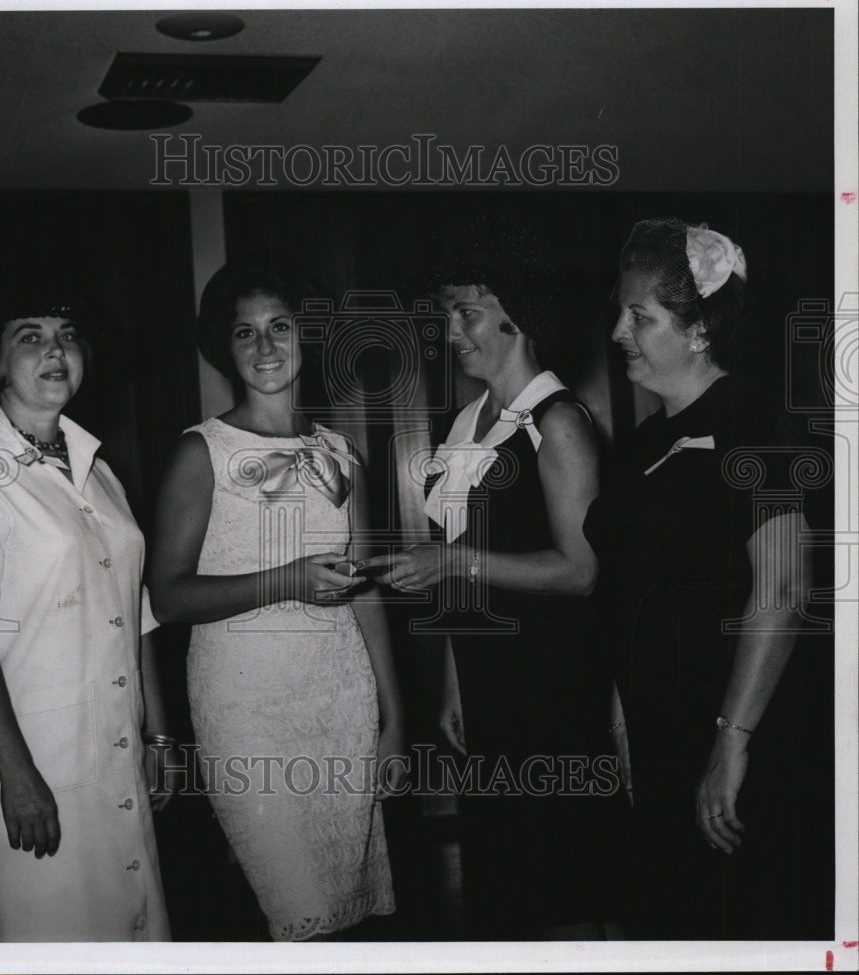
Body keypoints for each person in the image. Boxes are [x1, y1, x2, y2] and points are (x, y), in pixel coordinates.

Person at [361, 231, 622, 939]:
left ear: (518, 314)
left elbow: (581, 570)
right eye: (446, 314)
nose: (450, 331)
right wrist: (449, 679)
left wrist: (452, 563)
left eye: (466, 312)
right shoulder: (469, 424)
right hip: (487, 684)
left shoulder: (558, 424)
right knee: (502, 885)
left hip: (549, 684)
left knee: (555, 884)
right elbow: (462, 578)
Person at [148, 265, 401, 941]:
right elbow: (167, 598)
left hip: (340, 696)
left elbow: (367, 594)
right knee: (296, 909)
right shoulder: (200, 453)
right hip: (245, 706)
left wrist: (394, 717)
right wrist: (284, 581)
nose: (265, 347)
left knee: (348, 914)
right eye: (245, 333)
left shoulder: (343, 454)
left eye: (279, 327)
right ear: (224, 349)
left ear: (306, 337)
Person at [0, 279, 171, 942]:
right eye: (29, 336)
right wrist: (18, 775)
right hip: (29, 765)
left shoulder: (99, 472)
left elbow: (133, 611)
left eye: (67, 337)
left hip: (112, 752)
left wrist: (156, 735)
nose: (55, 351)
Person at [583, 218, 812, 939]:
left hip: (729, 726)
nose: (619, 329)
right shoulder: (643, 440)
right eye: (621, 311)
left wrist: (730, 741)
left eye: (639, 316)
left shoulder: (757, 422)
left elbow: (781, 591)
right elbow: (626, 588)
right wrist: (623, 713)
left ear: (700, 330)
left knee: (729, 915)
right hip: (656, 729)